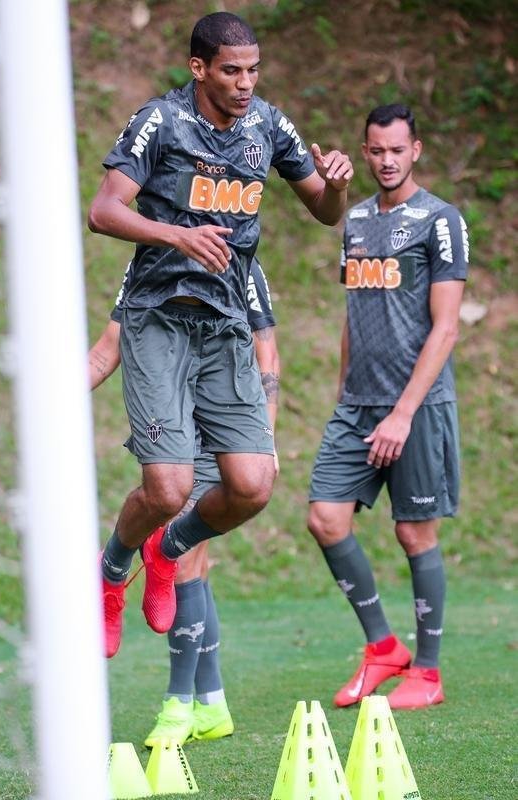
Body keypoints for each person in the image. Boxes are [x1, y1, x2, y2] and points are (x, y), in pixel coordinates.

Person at [88, 11, 353, 659]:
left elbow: (322, 211)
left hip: (226, 322)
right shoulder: (162, 121)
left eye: (253, 69)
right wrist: (177, 233)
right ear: (198, 68)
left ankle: (164, 546)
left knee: (252, 486)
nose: (244, 83)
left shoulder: (268, 124)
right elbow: (104, 210)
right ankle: (111, 569)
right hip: (158, 317)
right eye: (231, 71)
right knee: (169, 488)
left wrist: (340, 188)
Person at [307, 104, 469, 710]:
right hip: (358, 403)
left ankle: (427, 672)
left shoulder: (440, 221)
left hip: (417, 405)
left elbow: (446, 328)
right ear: (366, 151)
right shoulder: (354, 222)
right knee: (326, 517)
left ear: (416, 150)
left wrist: (402, 413)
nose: (386, 160)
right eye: (375, 150)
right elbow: (356, 312)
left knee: (412, 532)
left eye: (397, 149)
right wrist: (343, 386)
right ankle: (383, 649)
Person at [90, 257, 279, 744]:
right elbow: (107, 350)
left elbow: (267, 356)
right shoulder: (149, 259)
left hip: (226, 428)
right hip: (173, 427)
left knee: (188, 560)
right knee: (188, 559)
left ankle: (178, 706)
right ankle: (209, 702)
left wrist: (264, 440)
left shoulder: (240, 260)